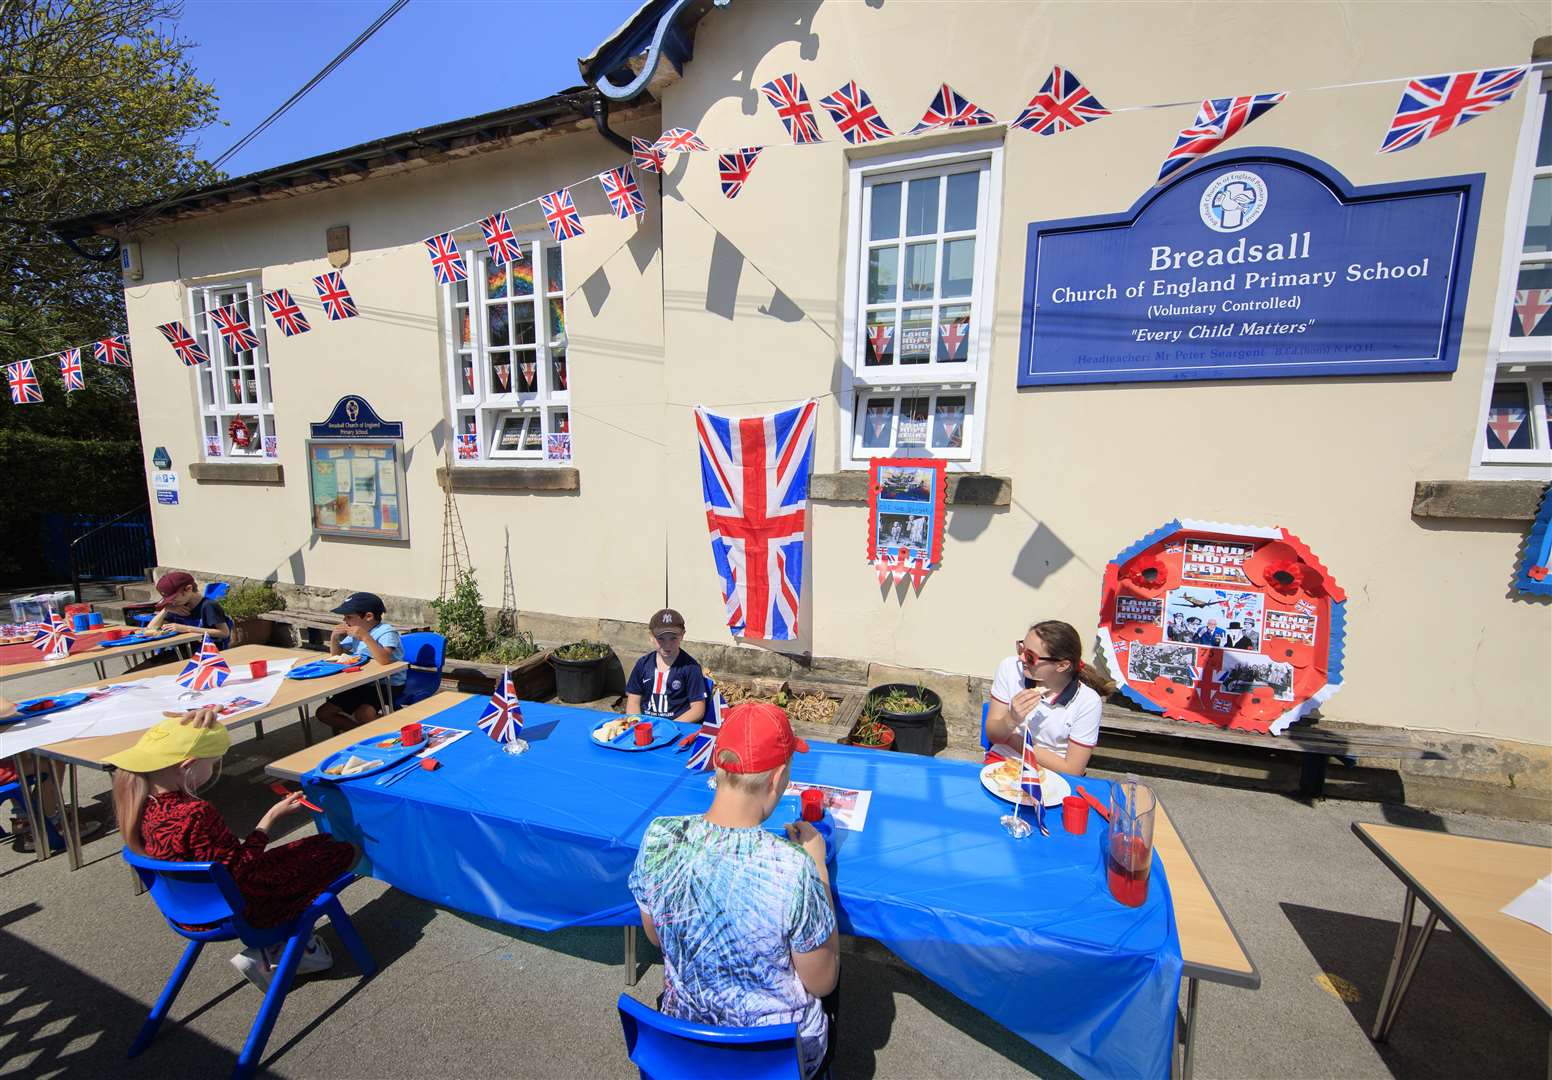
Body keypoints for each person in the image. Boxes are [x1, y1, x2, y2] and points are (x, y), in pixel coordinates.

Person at [628, 702, 838, 1078]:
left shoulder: (660, 836)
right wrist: (818, 868)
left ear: (718, 765)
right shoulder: (794, 868)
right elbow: (822, 981)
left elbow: (655, 937)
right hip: (774, 1061)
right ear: (776, 780)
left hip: (684, 1050)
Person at [108, 709, 358, 991]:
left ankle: (277, 947)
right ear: (188, 765)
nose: (213, 770)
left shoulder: (140, 804)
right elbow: (240, 869)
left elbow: (222, 866)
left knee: (317, 846)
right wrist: (268, 820)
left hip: (191, 910)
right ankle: (283, 948)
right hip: (240, 909)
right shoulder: (196, 812)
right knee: (339, 850)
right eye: (213, 764)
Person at [985, 620, 1117, 774]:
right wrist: (1011, 719)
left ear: (1062, 665)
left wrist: (1011, 739)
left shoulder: (1087, 701)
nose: (1021, 658)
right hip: (1003, 761)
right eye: (1021, 648)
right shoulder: (1010, 669)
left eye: (1030, 656)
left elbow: (1073, 769)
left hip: (1053, 774)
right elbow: (993, 734)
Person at [314, 592, 406, 733]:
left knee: (364, 713)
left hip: (388, 683)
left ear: (368, 616)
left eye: (349, 617)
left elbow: (384, 660)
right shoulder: (357, 633)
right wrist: (334, 638)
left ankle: (387, 735)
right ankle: (360, 734)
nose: (345, 621)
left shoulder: (386, 632)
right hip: (362, 681)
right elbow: (337, 657)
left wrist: (365, 636)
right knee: (324, 713)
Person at [624, 609, 707, 724]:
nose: (667, 645)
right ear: (651, 637)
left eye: (673, 638)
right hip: (646, 725)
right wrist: (638, 724)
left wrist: (671, 726)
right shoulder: (642, 664)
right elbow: (633, 702)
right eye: (661, 639)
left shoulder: (690, 668)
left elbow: (698, 709)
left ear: (682, 635)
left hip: (677, 727)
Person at [144, 570, 230, 642]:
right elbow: (150, 629)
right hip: (181, 650)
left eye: (174, 598)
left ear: (189, 589)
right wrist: (166, 609)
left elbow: (224, 633)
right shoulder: (176, 606)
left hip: (206, 653)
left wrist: (186, 628)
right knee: (149, 663)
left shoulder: (208, 606)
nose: (172, 602)